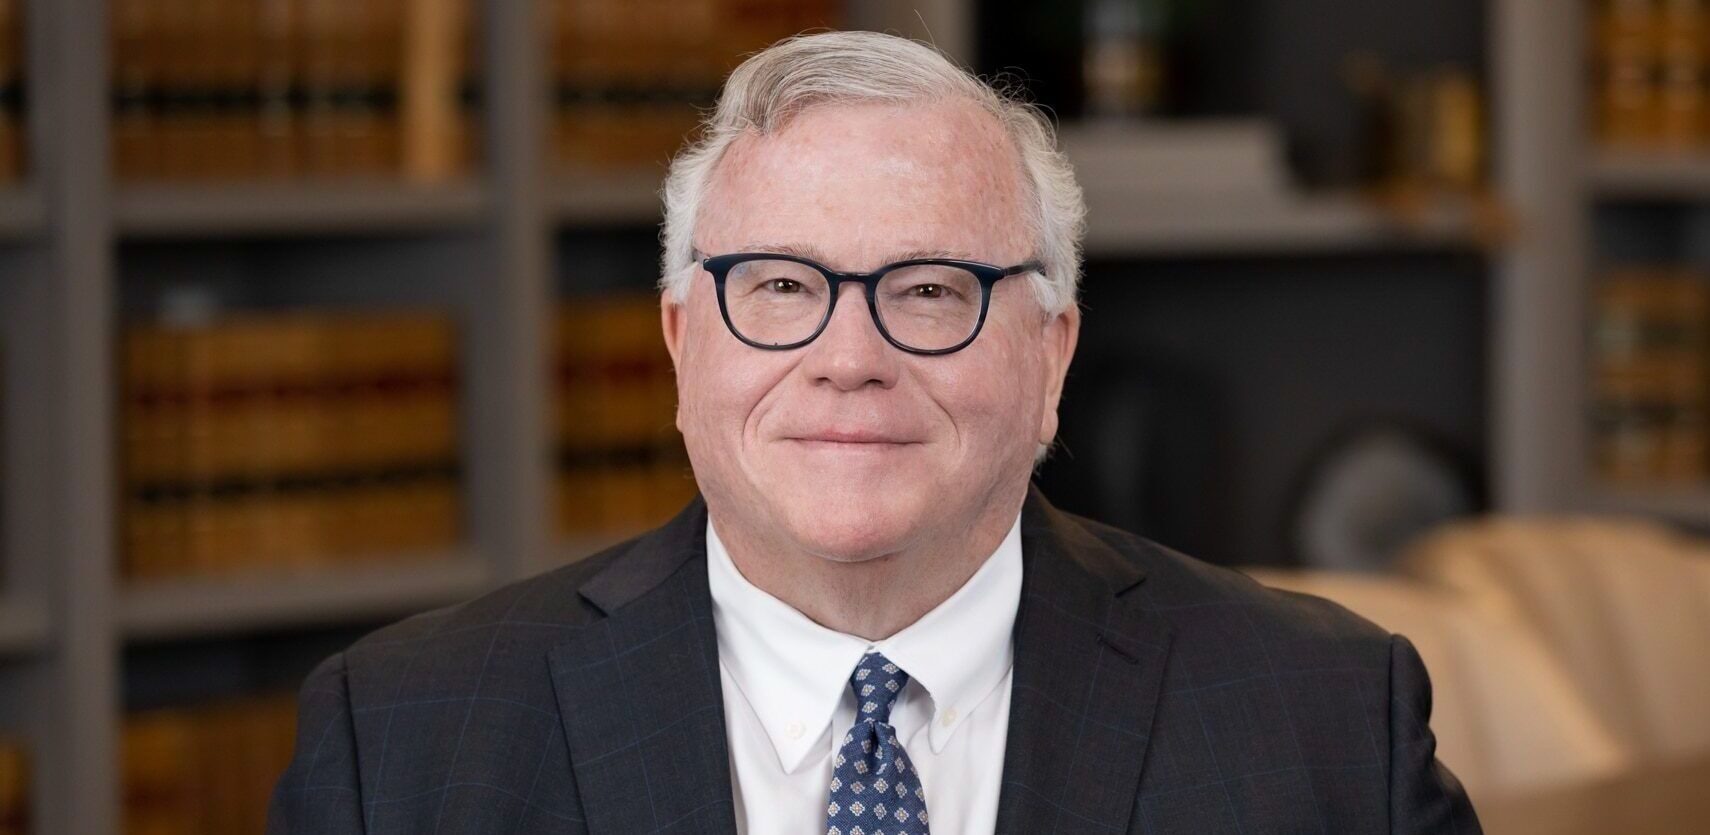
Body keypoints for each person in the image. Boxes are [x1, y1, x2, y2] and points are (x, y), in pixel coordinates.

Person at [268, 31, 1481, 834]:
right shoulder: (403, 744)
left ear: (1051, 354)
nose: (850, 360)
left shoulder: (1323, 721)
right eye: (783, 288)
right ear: (685, 342)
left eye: (931, 290)